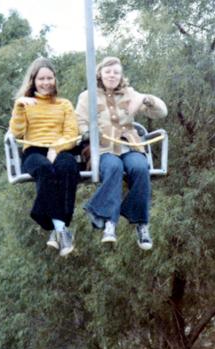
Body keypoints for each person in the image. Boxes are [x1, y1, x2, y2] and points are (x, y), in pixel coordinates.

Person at [75, 56, 168, 250]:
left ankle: (141, 223)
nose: (112, 75)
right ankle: (110, 222)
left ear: (121, 75)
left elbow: (161, 113)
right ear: (100, 73)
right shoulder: (88, 96)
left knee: (140, 168)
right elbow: (80, 123)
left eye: (116, 72)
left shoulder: (129, 93)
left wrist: (146, 99)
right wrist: (90, 134)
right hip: (103, 148)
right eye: (108, 71)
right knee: (114, 167)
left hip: (129, 145)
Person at [9, 57, 81, 257]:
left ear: (55, 80)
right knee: (44, 170)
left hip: (60, 148)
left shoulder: (64, 104)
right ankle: (61, 230)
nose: (46, 82)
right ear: (33, 81)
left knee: (68, 168)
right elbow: (16, 133)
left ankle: (54, 229)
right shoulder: (25, 104)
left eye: (50, 78)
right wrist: (19, 107)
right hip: (34, 150)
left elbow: (72, 133)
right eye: (41, 79)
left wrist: (56, 149)